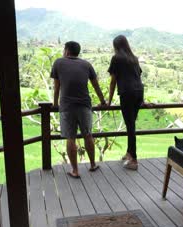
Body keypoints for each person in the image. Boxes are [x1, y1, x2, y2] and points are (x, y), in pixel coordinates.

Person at [51, 41, 106, 178]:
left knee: (71, 138)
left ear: (67, 51)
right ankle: (93, 165)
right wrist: (103, 101)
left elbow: (57, 86)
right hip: (85, 105)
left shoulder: (58, 63)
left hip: (67, 106)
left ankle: (75, 170)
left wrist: (55, 104)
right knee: (88, 135)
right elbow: (96, 85)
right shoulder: (86, 65)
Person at [107, 35, 147, 170]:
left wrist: (109, 101)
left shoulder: (116, 58)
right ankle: (129, 153)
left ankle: (134, 160)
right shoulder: (134, 58)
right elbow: (138, 78)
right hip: (138, 93)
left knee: (130, 127)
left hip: (127, 93)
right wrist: (143, 100)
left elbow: (113, 81)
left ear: (116, 46)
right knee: (131, 124)